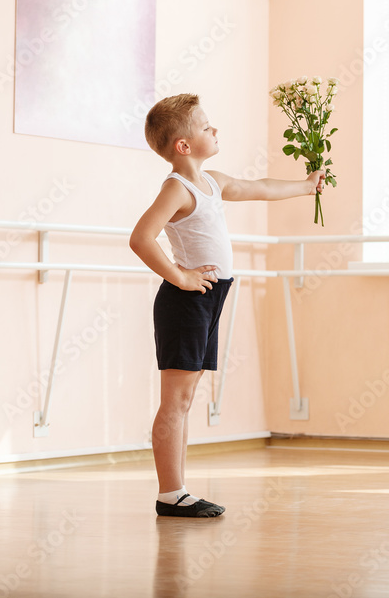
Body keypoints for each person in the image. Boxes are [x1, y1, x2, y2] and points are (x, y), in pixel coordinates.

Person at [131, 93, 323, 517]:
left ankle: (176, 490)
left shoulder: (212, 181)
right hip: (186, 300)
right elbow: (141, 238)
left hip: (209, 297)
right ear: (183, 145)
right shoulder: (176, 189)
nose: (214, 130)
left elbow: (259, 188)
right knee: (175, 401)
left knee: (185, 398)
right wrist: (180, 276)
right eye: (205, 126)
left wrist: (306, 186)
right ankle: (171, 493)